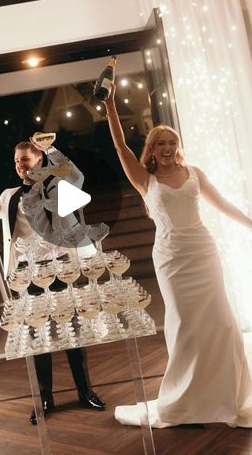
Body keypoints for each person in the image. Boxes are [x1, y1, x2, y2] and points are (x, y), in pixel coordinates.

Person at [104, 84, 252, 428]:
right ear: (151, 149)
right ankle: (188, 398)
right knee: (186, 326)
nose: (168, 148)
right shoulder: (145, 180)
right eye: (161, 143)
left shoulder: (195, 174)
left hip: (203, 252)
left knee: (222, 322)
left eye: (172, 142)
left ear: (178, 147)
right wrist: (110, 106)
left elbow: (224, 205)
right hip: (171, 258)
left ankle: (224, 396)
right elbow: (119, 145)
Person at [0, 137, 105, 424]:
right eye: (16, 161)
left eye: (25, 159)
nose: (20, 165)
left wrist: (51, 149)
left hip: (61, 268)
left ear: (38, 160)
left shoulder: (59, 188)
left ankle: (85, 391)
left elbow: (77, 176)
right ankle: (44, 397)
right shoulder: (9, 196)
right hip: (27, 275)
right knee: (37, 337)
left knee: (73, 333)